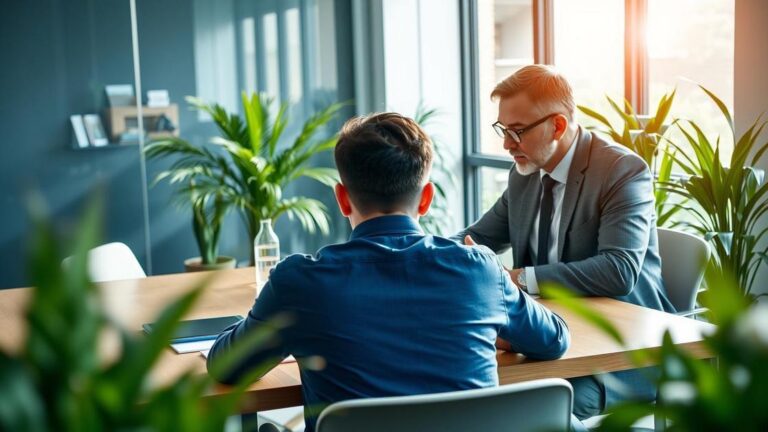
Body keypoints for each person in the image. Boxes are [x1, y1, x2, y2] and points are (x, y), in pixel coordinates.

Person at [207, 112, 570, 432]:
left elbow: (226, 367)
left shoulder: (300, 282)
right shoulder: (480, 270)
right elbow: (554, 340)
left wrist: (259, 314)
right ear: (426, 198)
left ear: (342, 198)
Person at [454, 64, 675, 420]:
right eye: (503, 130)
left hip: (619, 355)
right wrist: (429, 256)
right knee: (473, 391)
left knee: (525, 411)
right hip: (547, 340)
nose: (507, 145)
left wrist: (520, 278)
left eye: (517, 131)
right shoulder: (524, 172)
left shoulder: (622, 171)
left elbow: (619, 270)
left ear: (557, 125)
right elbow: (477, 237)